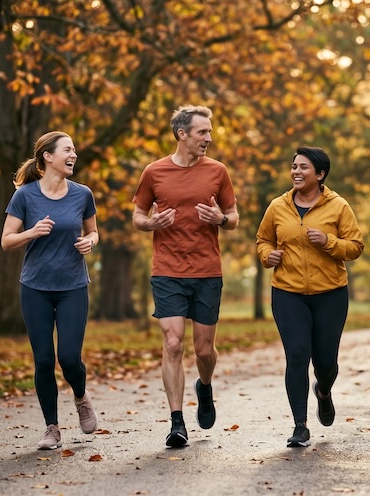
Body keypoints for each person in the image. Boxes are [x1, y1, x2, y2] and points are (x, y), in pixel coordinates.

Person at [132, 105, 239, 448]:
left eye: (209, 132)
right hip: (168, 270)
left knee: (204, 350)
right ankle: (177, 422)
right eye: (202, 132)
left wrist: (219, 219)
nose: (209, 138)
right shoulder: (154, 172)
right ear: (182, 134)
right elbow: (137, 214)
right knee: (173, 342)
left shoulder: (218, 171)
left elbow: (234, 216)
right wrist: (151, 223)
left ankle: (204, 387)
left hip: (207, 271)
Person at [256, 146, 364, 448]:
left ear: (320, 174)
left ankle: (324, 391)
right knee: (297, 355)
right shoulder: (277, 206)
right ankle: (300, 425)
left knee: (326, 361)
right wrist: (268, 255)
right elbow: (263, 239)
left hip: (330, 293)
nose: (296, 172)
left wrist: (328, 241)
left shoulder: (339, 206)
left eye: (303, 167)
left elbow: (355, 246)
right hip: (288, 293)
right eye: (294, 167)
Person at [1, 131, 100, 450]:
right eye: (68, 150)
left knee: (69, 358)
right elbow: (6, 241)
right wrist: (32, 232)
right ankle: (51, 428)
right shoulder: (25, 196)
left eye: (75, 151)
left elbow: (94, 231)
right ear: (48, 156)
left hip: (73, 286)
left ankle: (82, 397)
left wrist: (90, 242)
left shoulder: (82, 194)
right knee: (43, 360)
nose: (74, 156)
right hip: (35, 288)